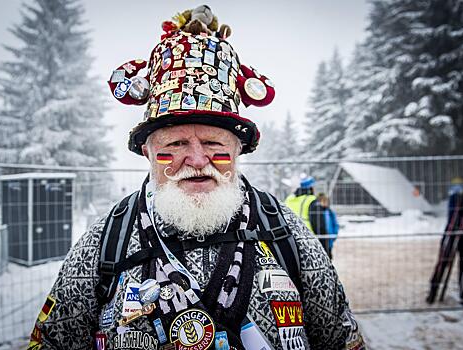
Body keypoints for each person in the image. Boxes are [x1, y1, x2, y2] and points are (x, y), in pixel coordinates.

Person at [28, 6, 365, 350]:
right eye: (175, 144)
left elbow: (341, 338)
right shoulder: (105, 241)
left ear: (237, 150)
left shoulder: (285, 233)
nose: (197, 160)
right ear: (147, 151)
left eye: (213, 143)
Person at [426, 176, 463, 306]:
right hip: (452, 234)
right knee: (443, 262)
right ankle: (433, 290)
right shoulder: (457, 197)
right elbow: (455, 216)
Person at [284, 176, 331, 257]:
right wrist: (326, 249)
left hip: (289, 239)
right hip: (308, 241)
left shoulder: (289, 199)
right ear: (311, 188)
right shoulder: (311, 200)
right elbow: (319, 226)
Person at [317, 193, 339, 259]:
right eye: (322, 201)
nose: (324, 203)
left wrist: (334, 235)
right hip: (320, 239)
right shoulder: (317, 212)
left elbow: (335, 224)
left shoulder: (330, 212)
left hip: (329, 239)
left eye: (325, 201)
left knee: (329, 257)